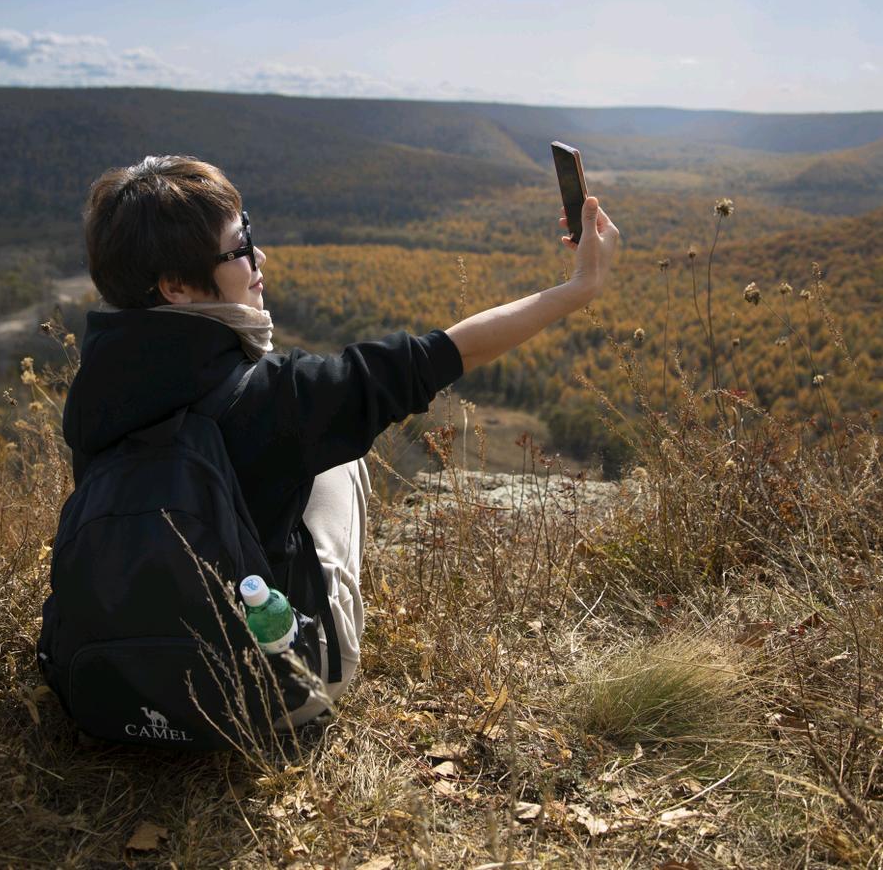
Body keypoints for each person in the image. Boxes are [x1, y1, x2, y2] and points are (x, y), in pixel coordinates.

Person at [62, 155, 619, 728]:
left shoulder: (95, 390)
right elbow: (449, 352)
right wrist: (579, 287)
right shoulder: (282, 398)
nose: (259, 258)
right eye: (239, 246)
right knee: (338, 457)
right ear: (176, 285)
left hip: (111, 683)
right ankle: (315, 646)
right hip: (269, 699)